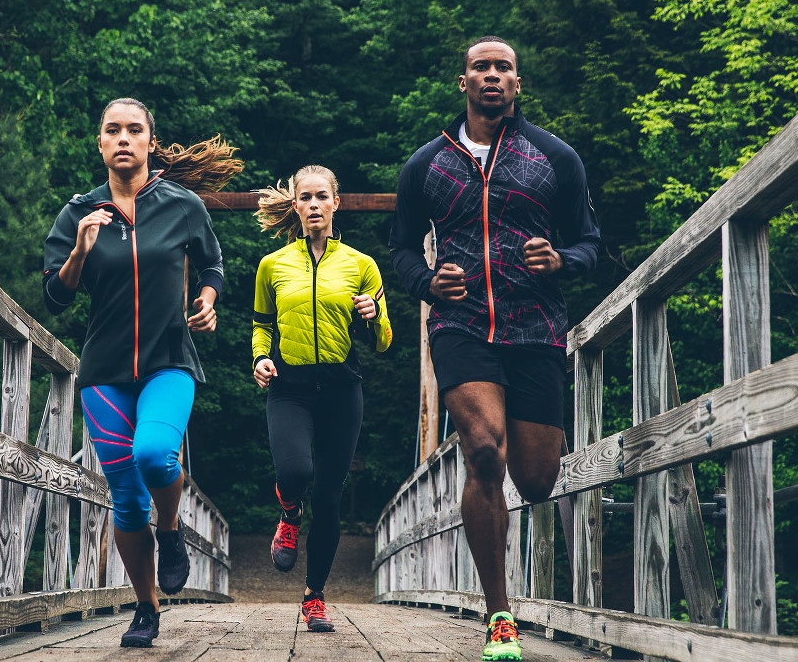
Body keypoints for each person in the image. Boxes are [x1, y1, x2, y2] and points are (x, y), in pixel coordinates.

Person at [388, 37, 599, 662]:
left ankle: (507, 585)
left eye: (503, 68)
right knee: (483, 453)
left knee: (535, 480)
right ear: (463, 82)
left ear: (517, 83)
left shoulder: (554, 158)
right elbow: (400, 248)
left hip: (535, 328)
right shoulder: (426, 164)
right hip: (461, 328)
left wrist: (561, 259)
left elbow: (590, 243)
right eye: (481, 67)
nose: (492, 76)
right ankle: (499, 614)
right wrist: (426, 282)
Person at [42, 97, 242, 649]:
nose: (124, 138)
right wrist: (80, 249)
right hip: (104, 373)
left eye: (135, 130)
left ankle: (172, 530)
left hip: (169, 360)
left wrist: (206, 297)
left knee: (154, 454)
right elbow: (54, 297)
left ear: (151, 142)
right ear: (100, 144)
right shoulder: (76, 214)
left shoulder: (181, 205)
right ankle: (146, 606)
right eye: (113, 130)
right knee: (126, 499)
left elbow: (214, 264)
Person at [251, 165, 393, 632]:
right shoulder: (272, 265)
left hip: (340, 389)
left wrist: (373, 315)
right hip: (289, 388)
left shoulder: (361, 264)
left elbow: (385, 341)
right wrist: (260, 358)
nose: (313, 205)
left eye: (321, 197)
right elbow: (261, 325)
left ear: (337, 202)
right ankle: (289, 512)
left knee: (330, 498)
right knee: (295, 471)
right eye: (304, 197)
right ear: (294, 205)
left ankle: (314, 596)